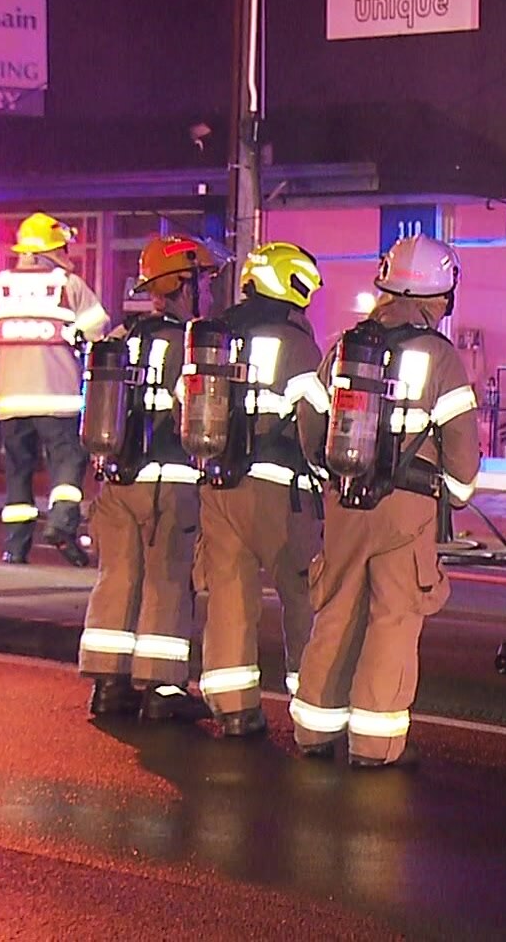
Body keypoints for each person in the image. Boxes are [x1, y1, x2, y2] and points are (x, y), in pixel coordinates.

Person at [290, 235, 479, 767]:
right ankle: (374, 745)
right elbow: (462, 448)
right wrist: (457, 494)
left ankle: (314, 730)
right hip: (407, 508)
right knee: (393, 618)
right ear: (434, 295)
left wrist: (329, 471)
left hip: (345, 499)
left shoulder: (347, 345)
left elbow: (310, 418)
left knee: (337, 610)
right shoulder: (440, 357)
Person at [193, 241, 330, 736]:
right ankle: (312, 699)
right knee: (300, 590)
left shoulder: (213, 334)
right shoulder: (296, 343)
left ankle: (233, 708)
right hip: (278, 490)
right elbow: (314, 421)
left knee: (228, 592)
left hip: (218, 483)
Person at [78, 236, 216, 720]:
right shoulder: (189, 343)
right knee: (167, 582)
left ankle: (108, 686)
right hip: (170, 483)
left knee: (118, 577)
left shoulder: (122, 337)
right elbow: (195, 414)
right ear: (184, 284)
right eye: (207, 281)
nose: (212, 292)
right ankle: (161, 692)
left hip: (117, 481)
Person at [0, 212, 108, 566]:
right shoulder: (67, 285)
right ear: (54, 249)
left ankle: (15, 546)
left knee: (18, 472)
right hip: (59, 399)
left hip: (11, 402)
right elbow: (98, 332)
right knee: (68, 461)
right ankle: (61, 522)